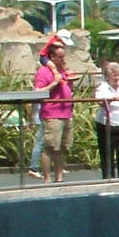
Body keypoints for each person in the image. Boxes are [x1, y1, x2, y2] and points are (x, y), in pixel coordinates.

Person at [33, 36, 79, 183]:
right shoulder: (44, 71)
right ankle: (47, 178)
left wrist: (70, 84)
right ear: (52, 57)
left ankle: (59, 177)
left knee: (63, 147)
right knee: (50, 147)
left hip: (66, 113)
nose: (63, 60)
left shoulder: (62, 71)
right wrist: (54, 83)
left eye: (63, 56)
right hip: (52, 114)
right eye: (60, 57)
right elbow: (38, 92)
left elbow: (67, 89)